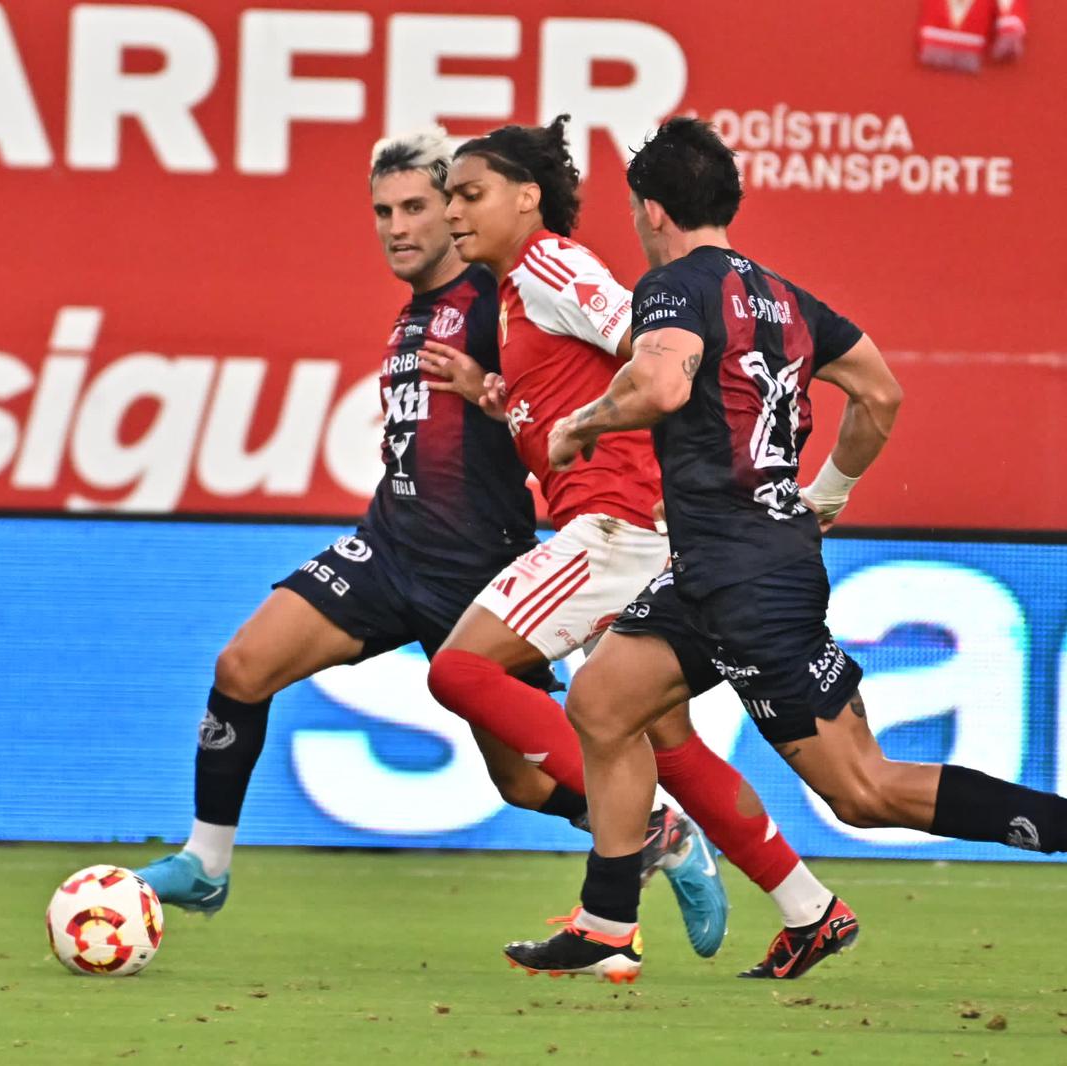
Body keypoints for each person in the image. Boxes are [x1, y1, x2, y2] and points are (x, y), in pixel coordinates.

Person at [509, 116, 1067, 984]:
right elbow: (879, 394)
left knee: (864, 790)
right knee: (604, 703)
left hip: (748, 584)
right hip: (717, 567)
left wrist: (581, 423)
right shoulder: (786, 298)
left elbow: (659, 381)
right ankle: (606, 922)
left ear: (651, 210)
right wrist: (826, 495)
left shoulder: (674, 287)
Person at [134, 129, 716, 936]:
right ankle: (206, 863)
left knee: (521, 783)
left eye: (418, 207)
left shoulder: (499, 299)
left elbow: (616, 366)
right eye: (382, 211)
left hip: (480, 572)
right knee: (242, 666)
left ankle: (658, 833)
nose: (397, 226)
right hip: (389, 549)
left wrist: (638, 469)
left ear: (456, 212)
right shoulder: (414, 317)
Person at [425, 119, 843, 969]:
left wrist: (647, 460)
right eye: (450, 201)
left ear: (527, 198)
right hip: (643, 522)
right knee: (661, 737)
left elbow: (653, 361)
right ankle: (810, 905)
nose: (453, 216)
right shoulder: (515, 294)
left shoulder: (550, 264)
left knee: (462, 669)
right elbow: (590, 394)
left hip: (618, 524)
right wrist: (503, 401)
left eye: (470, 196)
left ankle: (647, 831)